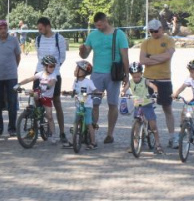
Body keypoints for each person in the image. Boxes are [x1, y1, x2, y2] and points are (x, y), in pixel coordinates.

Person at [79, 12, 129, 144]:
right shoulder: (93, 35)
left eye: (100, 25)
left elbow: (125, 56)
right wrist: (82, 50)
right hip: (96, 74)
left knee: (112, 104)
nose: (99, 28)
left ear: (105, 21)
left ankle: (110, 134)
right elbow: (85, 55)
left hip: (113, 75)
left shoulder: (119, 34)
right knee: (94, 104)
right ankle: (91, 132)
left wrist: (126, 75)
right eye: (96, 26)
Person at [139, 19, 174, 147]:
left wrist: (151, 57)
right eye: (151, 31)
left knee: (167, 108)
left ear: (161, 29)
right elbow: (142, 60)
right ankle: (141, 134)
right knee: (142, 106)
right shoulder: (146, 42)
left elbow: (167, 57)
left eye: (155, 31)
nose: (153, 33)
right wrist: (158, 58)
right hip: (147, 79)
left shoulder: (168, 40)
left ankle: (172, 137)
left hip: (164, 79)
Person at [35, 17, 68, 144]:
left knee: (56, 101)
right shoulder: (38, 39)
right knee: (37, 99)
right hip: (39, 72)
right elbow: (39, 56)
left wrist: (52, 70)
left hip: (54, 74)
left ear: (47, 26)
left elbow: (62, 57)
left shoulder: (58, 38)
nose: (39, 31)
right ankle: (41, 128)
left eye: (41, 28)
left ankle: (62, 132)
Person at [0, 20, 21, 137]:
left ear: (7, 29)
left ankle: (12, 127)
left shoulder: (14, 40)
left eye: (4, 28)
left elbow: (18, 56)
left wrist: (13, 67)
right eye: (0, 28)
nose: (2, 30)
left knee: (12, 102)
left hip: (11, 76)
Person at [17, 55, 59, 143]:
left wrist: (48, 86)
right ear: (45, 66)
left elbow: (52, 83)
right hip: (39, 94)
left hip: (47, 98)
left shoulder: (53, 75)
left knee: (50, 117)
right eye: (51, 66)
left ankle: (53, 134)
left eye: (53, 66)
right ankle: (32, 111)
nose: (52, 68)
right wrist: (19, 84)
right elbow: (29, 79)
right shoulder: (41, 74)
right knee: (33, 94)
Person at [129, 61, 163, 154]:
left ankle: (158, 144)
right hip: (137, 105)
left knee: (153, 125)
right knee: (136, 125)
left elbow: (154, 86)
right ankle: (135, 144)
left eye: (138, 75)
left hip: (147, 104)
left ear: (141, 73)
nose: (136, 78)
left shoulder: (145, 80)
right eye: (134, 76)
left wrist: (155, 93)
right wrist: (123, 92)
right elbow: (124, 89)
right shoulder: (130, 82)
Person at [63, 60, 97, 149]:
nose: (75, 70)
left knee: (89, 123)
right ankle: (72, 141)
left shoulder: (88, 82)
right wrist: (67, 93)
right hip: (79, 105)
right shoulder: (76, 81)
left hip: (87, 106)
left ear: (84, 72)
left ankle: (93, 142)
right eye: (76, 68)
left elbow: (94, 90)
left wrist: (98, 93)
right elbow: (74, 91)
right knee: (75, 123)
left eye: (78, 69)